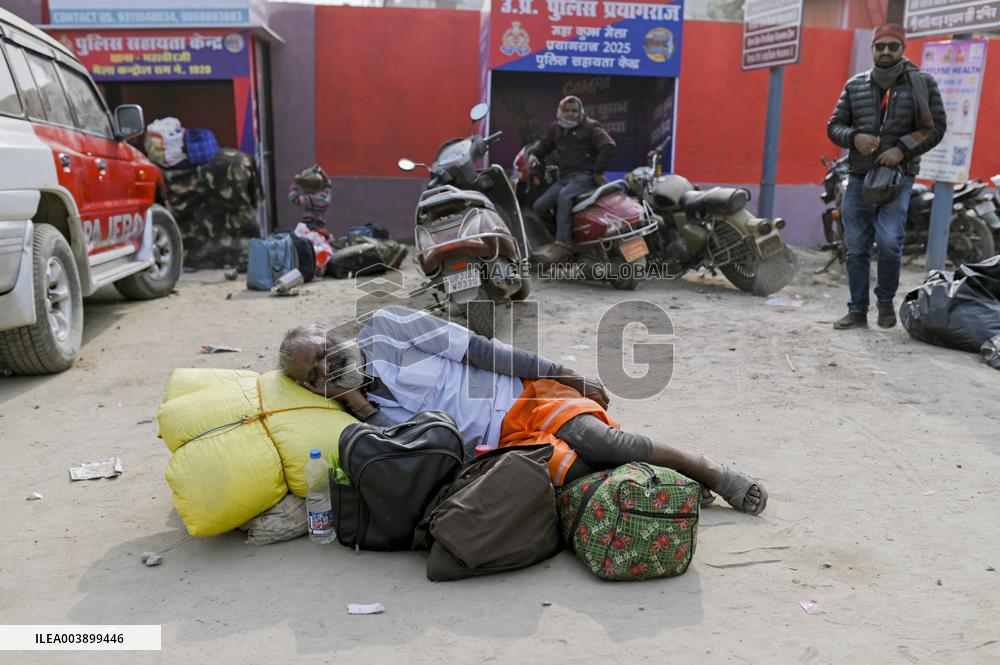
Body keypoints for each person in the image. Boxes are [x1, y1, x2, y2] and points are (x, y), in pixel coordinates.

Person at [278, 306, 767, 515]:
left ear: (333, 335)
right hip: (499, 449)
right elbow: (415, 450)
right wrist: (359, 404)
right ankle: (675, 485)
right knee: (579, 473)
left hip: (524, 395)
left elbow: (481, 351)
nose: (326, 367)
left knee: (601, 442)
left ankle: (712, 472)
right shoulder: (352, 415)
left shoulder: (387, 327)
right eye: (314, 374)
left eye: (323, 352)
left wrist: (566, 374)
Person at [827, 23, 947, 330]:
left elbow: (935, 127)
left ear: (903, 49)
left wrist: (902, 150)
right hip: (858, 177)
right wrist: (854, 138)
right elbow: (834, 125)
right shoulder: (855, 84)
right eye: (880, 46)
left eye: (893, 46)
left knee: (890, 242)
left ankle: (884, 302)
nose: (886, 51)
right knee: (855, 245)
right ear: (872, 49)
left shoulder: (921, 82)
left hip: (898, 176)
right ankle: (856, 310)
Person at [530, 96, 617, 263]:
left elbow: (608, 146)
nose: (570, 114)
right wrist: (534, 156)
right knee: (540, 206)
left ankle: (563, 244)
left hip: (584, 176)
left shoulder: (591, 126)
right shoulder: (556, 129)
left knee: (564, 196)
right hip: (565, 178)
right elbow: (544, 146)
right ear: (560, 111)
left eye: (574, 110)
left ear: (581, 112)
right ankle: (559, 236)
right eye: (566, 110)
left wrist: (598, 172)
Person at [288, 165, 333, 238]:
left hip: (308, 228)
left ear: (308, 188)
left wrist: (296, 183)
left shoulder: (308, 200)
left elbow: (293, 197)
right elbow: (328, 184)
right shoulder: (326, 198)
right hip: (321, 227)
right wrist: (321, 171)